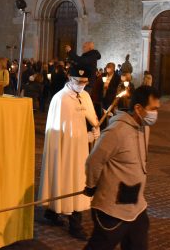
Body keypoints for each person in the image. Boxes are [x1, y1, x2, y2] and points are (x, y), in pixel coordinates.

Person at [84, 85, 159, 249]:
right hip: (113, 209)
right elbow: (94, 161)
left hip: (137, 206)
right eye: (153, 109)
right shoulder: (116, 131)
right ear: (138, 108)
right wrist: (91, 185)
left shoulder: (144, 128)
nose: (155, 114)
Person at [38, 63, 100, 240]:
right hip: (65, 150)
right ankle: (74, 223)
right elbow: (62, 131)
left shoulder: (85, 96)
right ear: (70, 79)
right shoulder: (61, 99)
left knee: (77, 179)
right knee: (67, 178)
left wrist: (96, 130)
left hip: (80, 151)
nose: (81, 85)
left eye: (84, 82)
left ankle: (54, 213)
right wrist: (86, 137)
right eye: (78, 81)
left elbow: (91, 118)